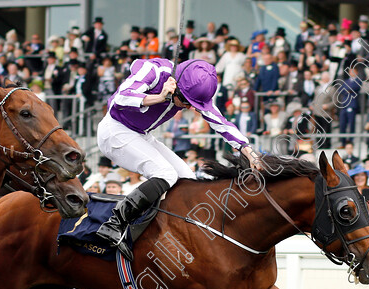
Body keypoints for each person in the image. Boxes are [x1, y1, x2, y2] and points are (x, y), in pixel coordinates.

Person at [95, 57, 258, 259]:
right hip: (114, 130)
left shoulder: (191, 90)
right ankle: (115, 224)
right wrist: (161, 96)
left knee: (187, 179)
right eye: (186, 102)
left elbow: (221, 122)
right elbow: (120, 99)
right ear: (178, 87)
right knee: (165, 173)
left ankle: (169, 233)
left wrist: (248, 151)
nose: (189, 108)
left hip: (141, 134)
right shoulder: (154, 70)